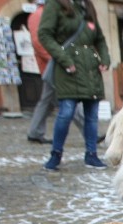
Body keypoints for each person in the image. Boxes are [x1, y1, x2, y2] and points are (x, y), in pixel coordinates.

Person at [38, 0, 110, 171]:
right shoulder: (56, 4)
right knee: (66, 112)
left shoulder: (86, 6)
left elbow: (100, 39)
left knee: (92, 115)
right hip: (69, 68)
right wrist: (64, 59)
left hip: (90, 70)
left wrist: (105, 59)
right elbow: (44, 35)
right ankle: (56, 154)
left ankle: (91, 154)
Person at [25, 0, 89, 145]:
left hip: (56, 65)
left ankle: (34, 132)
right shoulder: (39, 15)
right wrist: (62, 60)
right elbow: (40, 42)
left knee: (47, 102)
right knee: (70, 100)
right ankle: (90, 132)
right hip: (54, 67)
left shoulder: (49, 12)